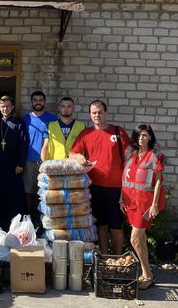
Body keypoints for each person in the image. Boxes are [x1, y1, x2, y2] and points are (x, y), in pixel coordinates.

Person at [70, 100, 130, 255]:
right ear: (90, 114)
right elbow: (72, 153)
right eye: (94, 112)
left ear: (106, 113)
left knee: (116, 226)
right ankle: (104, 256)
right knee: (100, 224)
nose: (97, 115)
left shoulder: (118, 132)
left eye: (100, 112)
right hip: (94, 187)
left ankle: (118, 258)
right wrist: (78, 158)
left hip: (117, 188)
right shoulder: (86, 134)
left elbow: (130, 157)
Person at [120, 124, 164, 290]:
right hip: (130, 203)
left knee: (134, 239)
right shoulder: (131, 155)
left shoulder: (155, 156)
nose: (141, 138)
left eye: (144, 135)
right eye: (138, 135)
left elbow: (159, 180)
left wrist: (154, 204)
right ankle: (147, 272)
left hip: (145, 205)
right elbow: (125, 178)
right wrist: (120, 199)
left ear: (150, 137)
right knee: (142, 240)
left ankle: (148, 275)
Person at [0, 95, 27, 230]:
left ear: (12, 107)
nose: (5, 109)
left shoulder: (19, 123)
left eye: (8, 106)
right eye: (2, 106)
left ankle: (13, 224)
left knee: (13, 195)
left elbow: (23, 145)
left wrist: (20, 164)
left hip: (13, 165)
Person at [22, 91, 57, 220]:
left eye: (40, 100)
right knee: (28, 190)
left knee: (44, 191)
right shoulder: (26, 119)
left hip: (47, 163)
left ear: (44, 102)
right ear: (31, 102)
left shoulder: (53, 119)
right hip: (29, 160)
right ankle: (28, 217)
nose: (38, 102)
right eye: (35, 100)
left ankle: (42, 219)